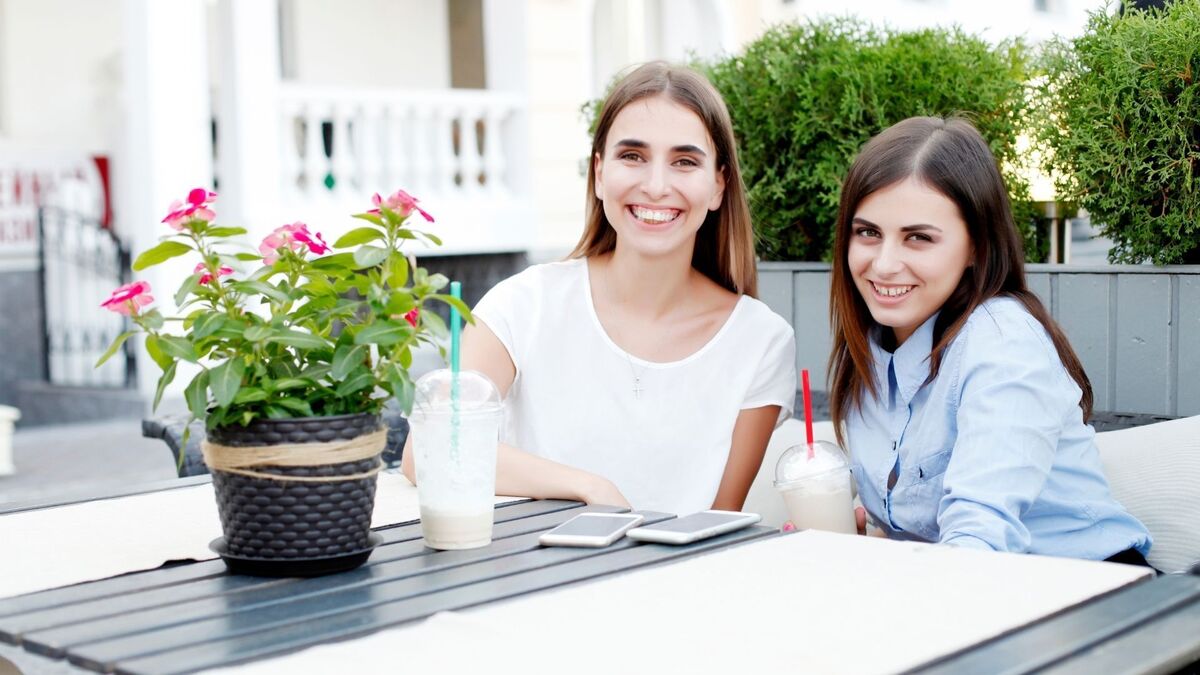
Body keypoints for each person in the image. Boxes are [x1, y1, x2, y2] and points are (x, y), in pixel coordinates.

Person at [402, 62, 796, 514]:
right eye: (633, 156)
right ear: (599, 173)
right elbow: (429, 449)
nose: (656, 185)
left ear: (718, 186)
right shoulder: (522, 305)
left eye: (685, 162)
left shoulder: (761, 341)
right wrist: (588, 487)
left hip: (684, 580)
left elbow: (720, 522)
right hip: (532, 579)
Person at [826, 116, 1153, 564]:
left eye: (918, 238)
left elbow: (980, 538)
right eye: (868, 233)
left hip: (1093, 598)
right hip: (979, 592)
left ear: (976, 246)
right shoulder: (869, 353)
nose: (883, 265)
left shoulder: (1002, 340)